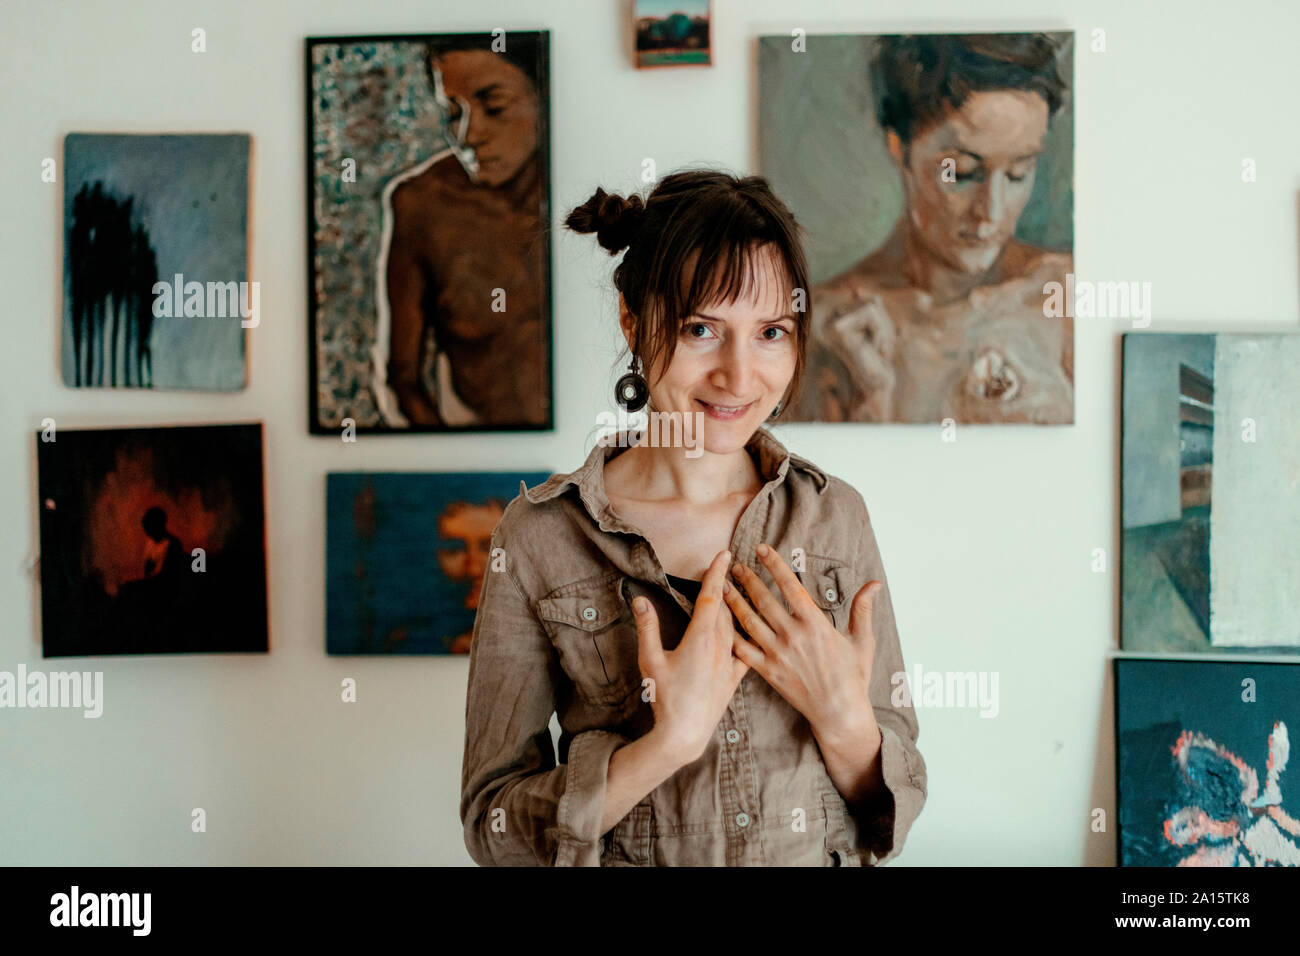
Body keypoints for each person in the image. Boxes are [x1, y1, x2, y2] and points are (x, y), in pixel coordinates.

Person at [460, 169, 926, 866]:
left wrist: (846, 722)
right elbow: (492, 825)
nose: (740, 377)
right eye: (701, 329)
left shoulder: (836, 518)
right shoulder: (539, 539)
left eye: (771, 331)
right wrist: (666, 744)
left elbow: (897, 798)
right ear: (632, 321)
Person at [791, 32, 1074, 424]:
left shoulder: (1064, 294)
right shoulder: (832, 328)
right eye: (961, 172)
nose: (990, 212)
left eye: (1018, 173)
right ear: (899, 149)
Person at [372, 34, 549, 428]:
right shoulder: (422, 204)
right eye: (453, 112)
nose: (468, 135)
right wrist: (450, 462)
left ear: (546, 99)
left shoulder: (588, 204)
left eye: (495, 106)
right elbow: (401, 380)